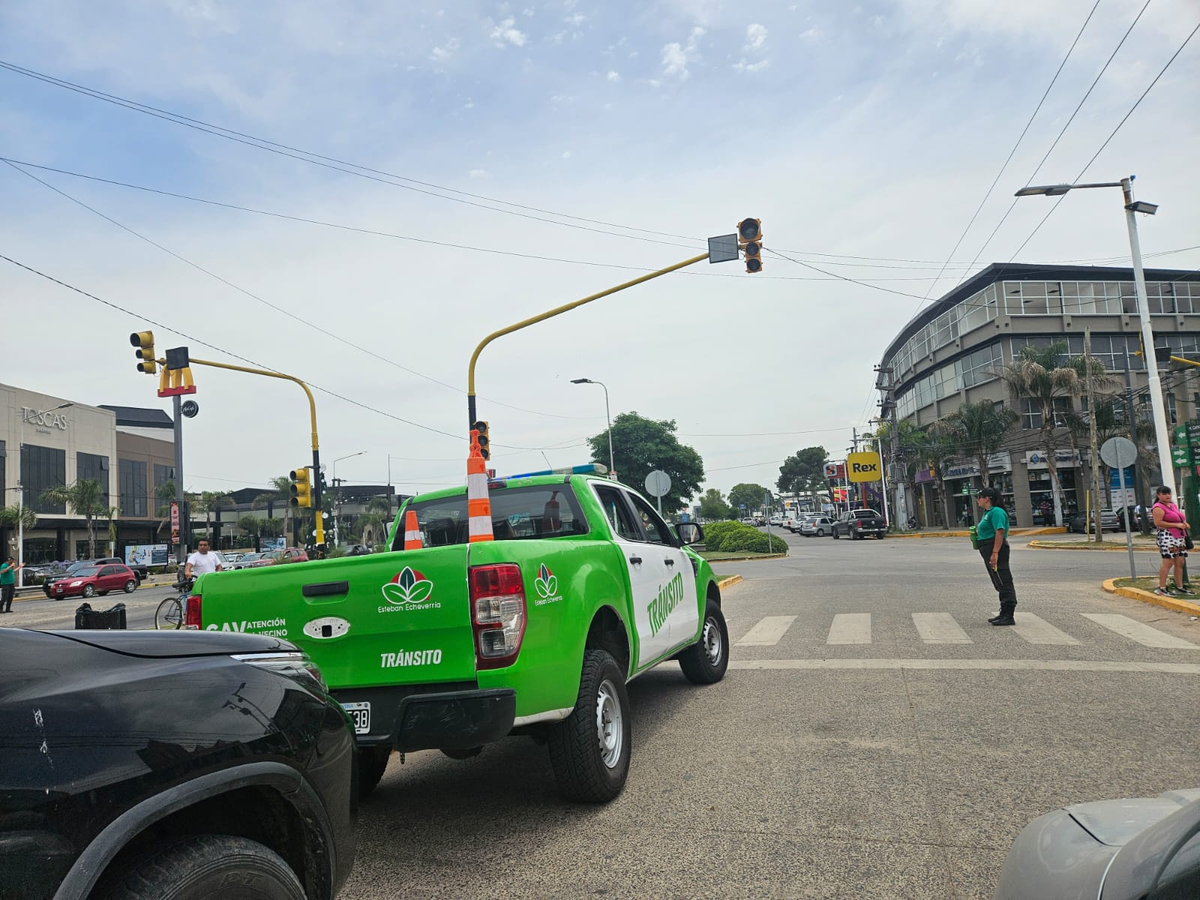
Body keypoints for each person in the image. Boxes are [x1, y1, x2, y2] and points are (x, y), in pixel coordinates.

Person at [976, 487, 1017, 625]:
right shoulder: (988, 512)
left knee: (1003, 579)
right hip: (987, 548)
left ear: (987, 498)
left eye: (979, 497)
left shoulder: (997, 512)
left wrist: (995, 553)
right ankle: (1003, 612)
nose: (977, 500)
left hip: (995, 548)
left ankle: (1008, 614)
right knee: (997, 580)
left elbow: (1000, 532)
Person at [1150, 486, 1190, 596]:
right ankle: (1162, 587)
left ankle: (1179, 587)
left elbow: (1179, 518)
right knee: (1168, 562)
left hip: (1179, 536)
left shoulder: (1172, 505)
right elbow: (1158, 523)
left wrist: (1184, 524)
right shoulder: (1158, 507)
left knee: (1180, 562)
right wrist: (1176, 525)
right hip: (1167, 537)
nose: (1167, 496)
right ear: (1158, 495)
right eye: (1164, 494)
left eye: (1169, 493)